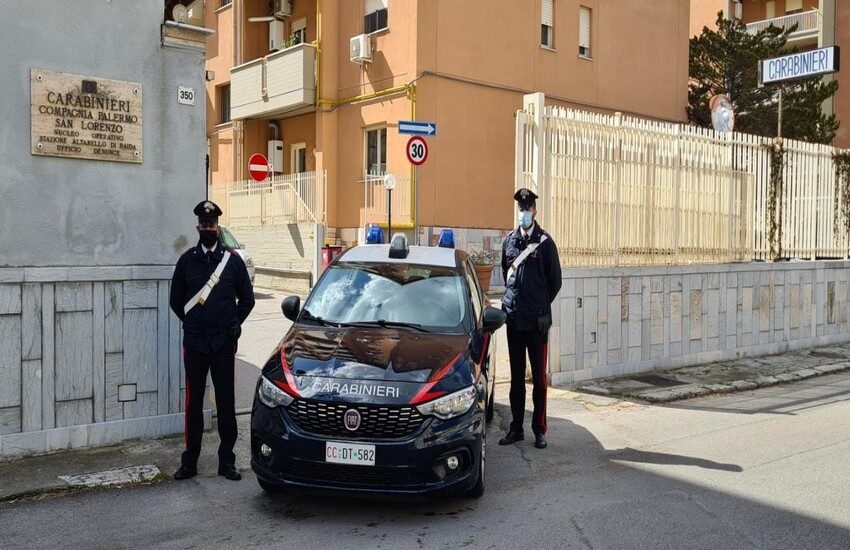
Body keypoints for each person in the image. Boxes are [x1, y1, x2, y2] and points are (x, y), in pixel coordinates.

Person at [169, 200, 255, 480]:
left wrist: (233, 324)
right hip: (195, 344)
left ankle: (226, 461)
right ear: (198, 227)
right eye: (204, 224)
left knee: (227, 402)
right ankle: (190, 461)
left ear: (218, 226)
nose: (208, 228)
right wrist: (193, 324)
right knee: (194, 403)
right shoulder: (187, 261)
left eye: (212, 224)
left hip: (222, 344)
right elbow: (175, 301)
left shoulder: (232, 261)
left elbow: (248, 299)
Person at [498, 188, 562, 449]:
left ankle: (539, 429)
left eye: (528, 208)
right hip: (514, 320)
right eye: (521, 209)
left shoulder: (545, 243)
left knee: (538, 380)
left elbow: (555, 282)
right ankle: (516, 428)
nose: (524, 212)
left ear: (535, 211)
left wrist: (538, 305)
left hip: (536, 323)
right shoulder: (509, 242)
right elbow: (507, 275)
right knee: (515, 380)